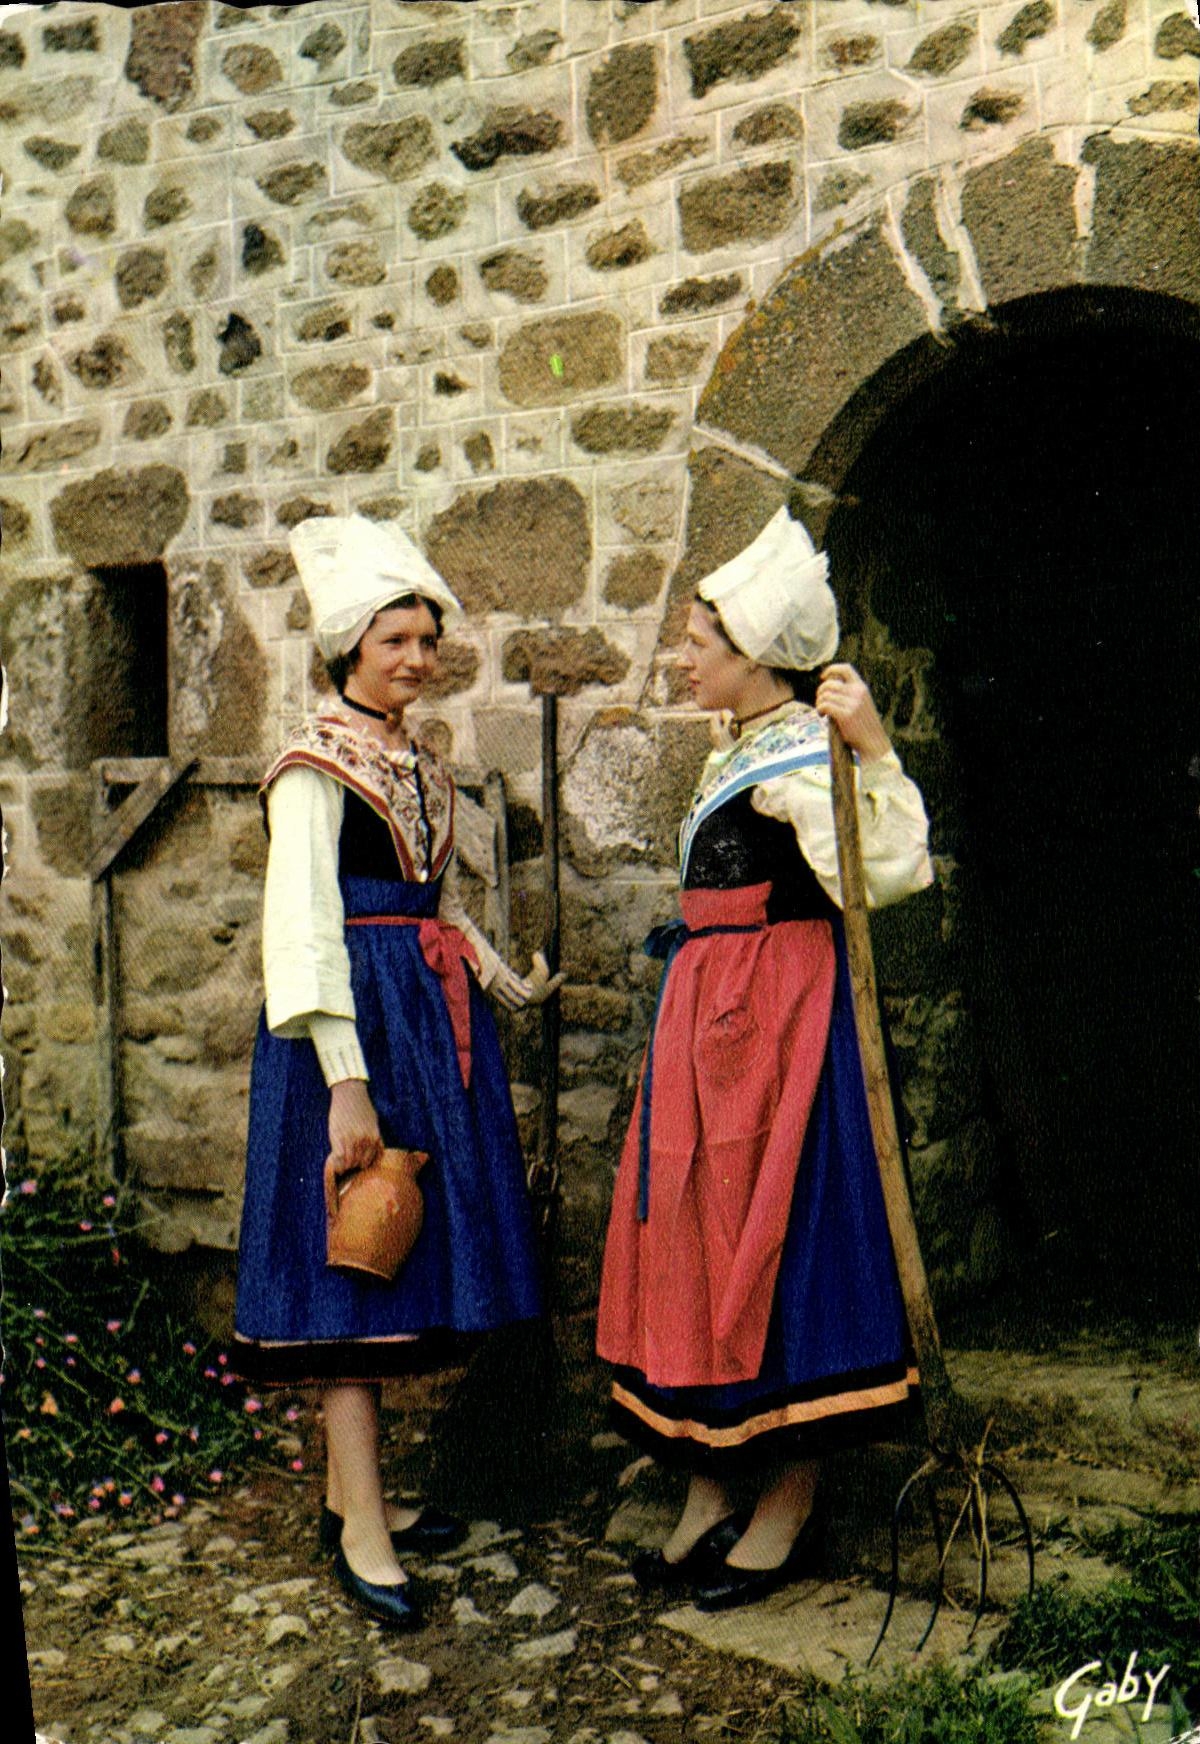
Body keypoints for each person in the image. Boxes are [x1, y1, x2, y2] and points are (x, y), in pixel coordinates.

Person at [596, 506, 933, 1612]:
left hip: (780, 1025)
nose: (683, 657)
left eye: (699, 642)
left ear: (753, 658)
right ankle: (707, 1488)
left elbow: (885, 871)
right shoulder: (734, 747)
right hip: (708, 1019)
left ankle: (787, 1499)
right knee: (693, 1239)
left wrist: (874, 745)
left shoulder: (799, 754)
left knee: (775, 1243)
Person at [234, 514, 559, 1630]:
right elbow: (303, 931)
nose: (418, 658)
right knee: (352, 1260)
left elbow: (442, 902)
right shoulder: (310, 767)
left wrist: (509, 982)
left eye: (428, 638)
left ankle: (350, 1496)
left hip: (426, 1012)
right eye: (396, 641)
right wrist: (345, 1083)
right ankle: (362, 1528)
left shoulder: (424, 758)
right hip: (348, 1035)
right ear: (347, 651)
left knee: (402, 1250)